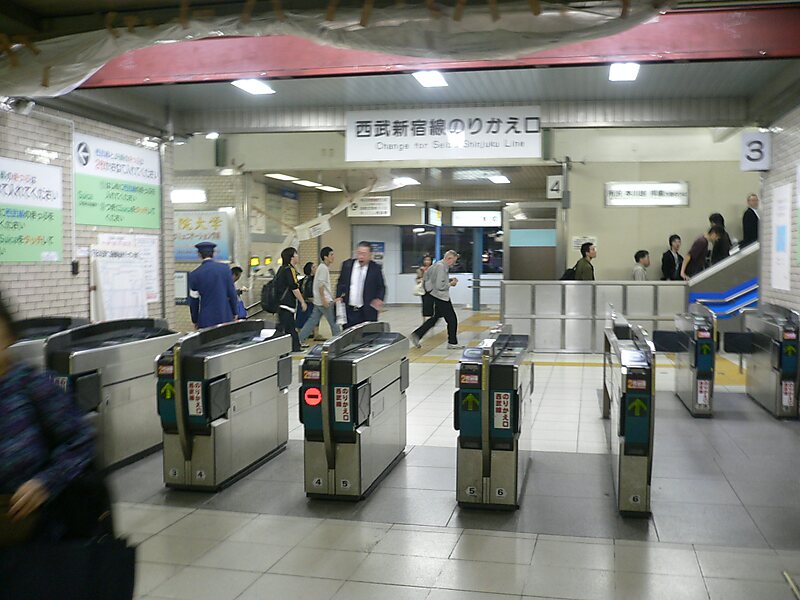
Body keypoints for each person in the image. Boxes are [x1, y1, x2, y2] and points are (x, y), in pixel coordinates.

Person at [0, 294, 95, 543]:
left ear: (9, 335)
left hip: (37, 540)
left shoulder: (31, 385)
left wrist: (44, 483)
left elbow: (81, 440)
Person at [409, 250, 463, 350]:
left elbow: (434, 280)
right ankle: (452, 343)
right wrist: (451, 284)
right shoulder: (441, 267)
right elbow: (440, 286)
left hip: (435, 295)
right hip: (441, 297)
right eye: (454, 261)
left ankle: (417, 334)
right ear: (449, 258)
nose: (454, 263)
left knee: (435, 318)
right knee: (452, 319)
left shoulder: (437, 265)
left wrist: (448, 280)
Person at [187, 241, 239, 329]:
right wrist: (234, 312)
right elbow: (232, 293)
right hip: (225, 317)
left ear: (199, 254)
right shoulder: (225, 269)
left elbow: (194, 300)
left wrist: (195, 320)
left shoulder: (194, 274)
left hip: (206, 320)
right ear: (214, 254)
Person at [336, 241, 386, 328]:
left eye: (364, 254)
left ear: (370, 255)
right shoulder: (347, 265)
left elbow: (381, 286)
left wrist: (379, 298)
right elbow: (340, 282)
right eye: (359, 253)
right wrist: (338, 296)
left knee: (368, 334)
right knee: (349, 334)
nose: (361, 256)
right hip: (349, 310)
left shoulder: (375, 268)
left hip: (367, 311)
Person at [298, 247, 342, 344]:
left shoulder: (322, 268)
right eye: (331, 255)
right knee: (334, 322)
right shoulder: (323, 268)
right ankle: (339, 343)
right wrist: (324, 299)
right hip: (324, 301)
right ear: (325, 257)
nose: (333, 257)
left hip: (319, 301)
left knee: (312, 321)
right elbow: (320, 285)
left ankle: (299, 339)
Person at [275, 247, 307, 352]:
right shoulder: (289, 269)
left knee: (287, 327)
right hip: (287, 304)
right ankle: (293, 347)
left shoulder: (281, 269)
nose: (298, 256)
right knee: (288, 328)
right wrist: (302, 301)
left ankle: (292, 347)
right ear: (291, 257)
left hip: (281, 303)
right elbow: (294, 287)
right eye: (296, 254)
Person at [295, 262, 315, 332]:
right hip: (309, 302)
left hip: (303, 301)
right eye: (313, 267)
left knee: (302, 318)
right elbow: (308, 291)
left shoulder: (303, 280)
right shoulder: (311, 280)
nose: (315, 269)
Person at [416, 255, 434, 323]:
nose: (427, 262)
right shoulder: (420, 269)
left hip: (432, 289)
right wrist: (422, 273)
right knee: (425, 304)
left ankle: (431, 320)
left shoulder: (434, 269)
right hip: (424, 289)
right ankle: (424, 321)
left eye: (428, 260)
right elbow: (418, 279)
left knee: (431, 305)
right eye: (426, 260)